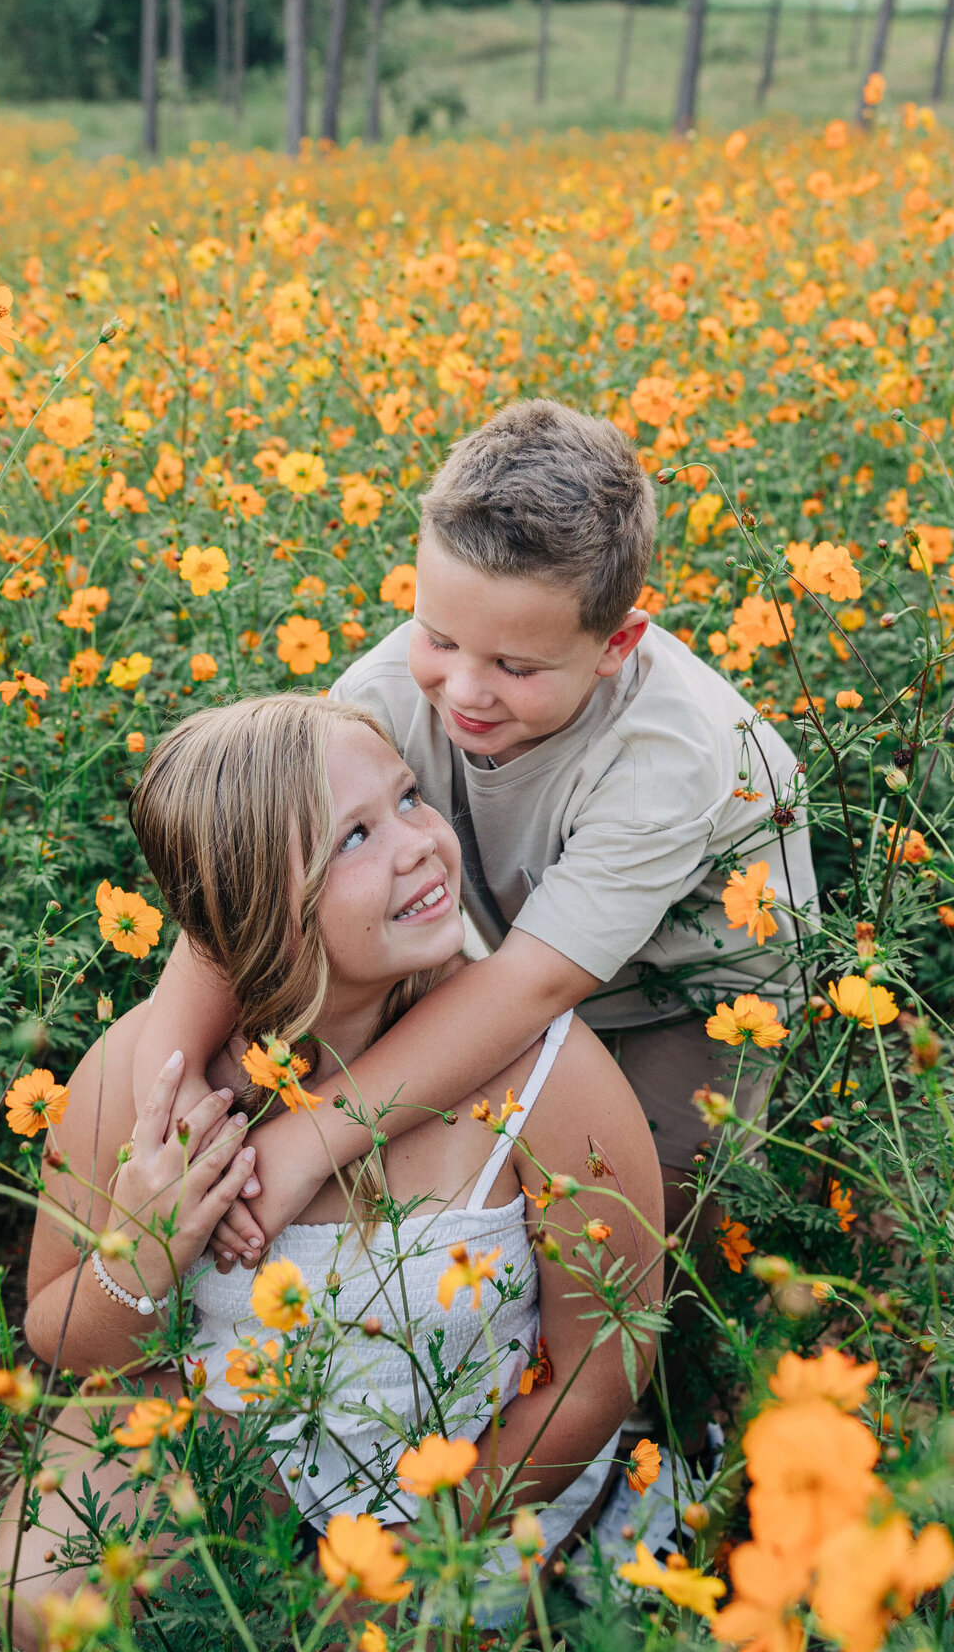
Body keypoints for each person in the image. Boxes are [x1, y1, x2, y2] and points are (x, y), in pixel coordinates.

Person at [133, 396, 815, 1453]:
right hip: (494, 924)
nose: (464, 689)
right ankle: (451, 1381)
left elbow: (535, 987)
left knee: (648, 1220)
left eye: (518, 667)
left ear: (617, 642)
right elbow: (253, 881)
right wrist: (167, 1116)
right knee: (431, 1126)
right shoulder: (382, 688)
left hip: (697, 990)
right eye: (438, 636)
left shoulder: (673, 751)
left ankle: (648, 1424)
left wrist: (311, 1134)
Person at [0, 695, 663, 1642]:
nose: (421, 843)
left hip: (473, 1470)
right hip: (223, 1447)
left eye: (409, 798)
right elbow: (63, 1341)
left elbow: (606, 1364)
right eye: (353, 837)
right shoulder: (139, 1073)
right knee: (45, 1603)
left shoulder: (547, 1070)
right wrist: (141, 1255)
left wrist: (423, 1545)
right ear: (256, 906)